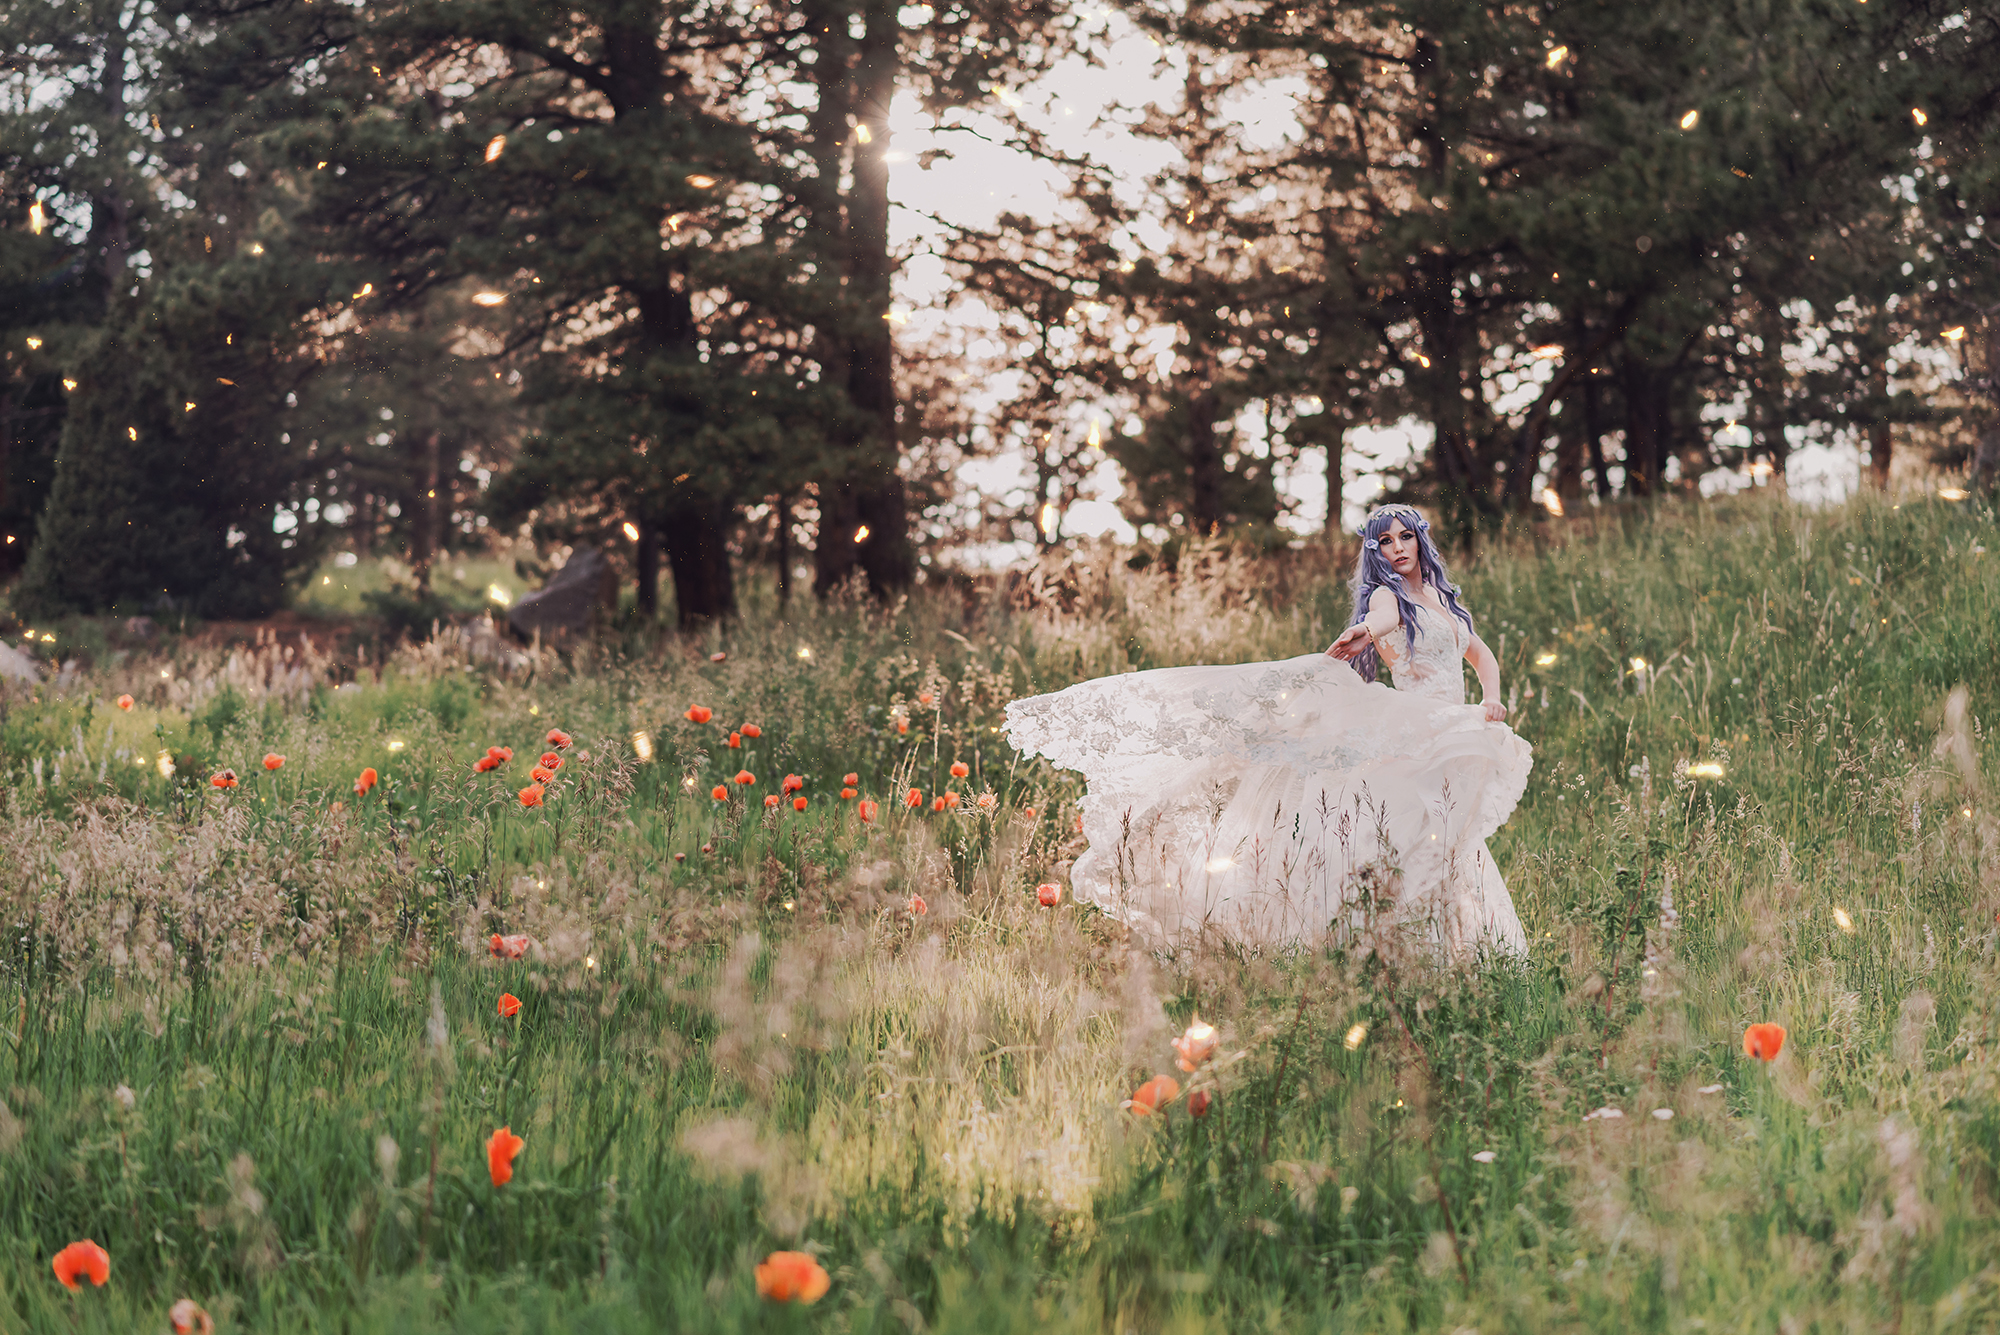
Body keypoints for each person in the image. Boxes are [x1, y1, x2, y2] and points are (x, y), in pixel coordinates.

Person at [1003, 503, 1530, 959]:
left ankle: (1461, 945)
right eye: (1385, 541)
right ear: (1375, 553)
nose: (1397, 548)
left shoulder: (1442, 600)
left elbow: (1479, 654)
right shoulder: (1389, 600)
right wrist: (1366, 632)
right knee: (1415, 834)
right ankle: (1387, 941)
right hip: (1414, 729)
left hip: (1452, 725)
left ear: (1421, 540)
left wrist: (1490, 699)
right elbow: (1385, 619)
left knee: (1452, 837)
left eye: (1405, 536)